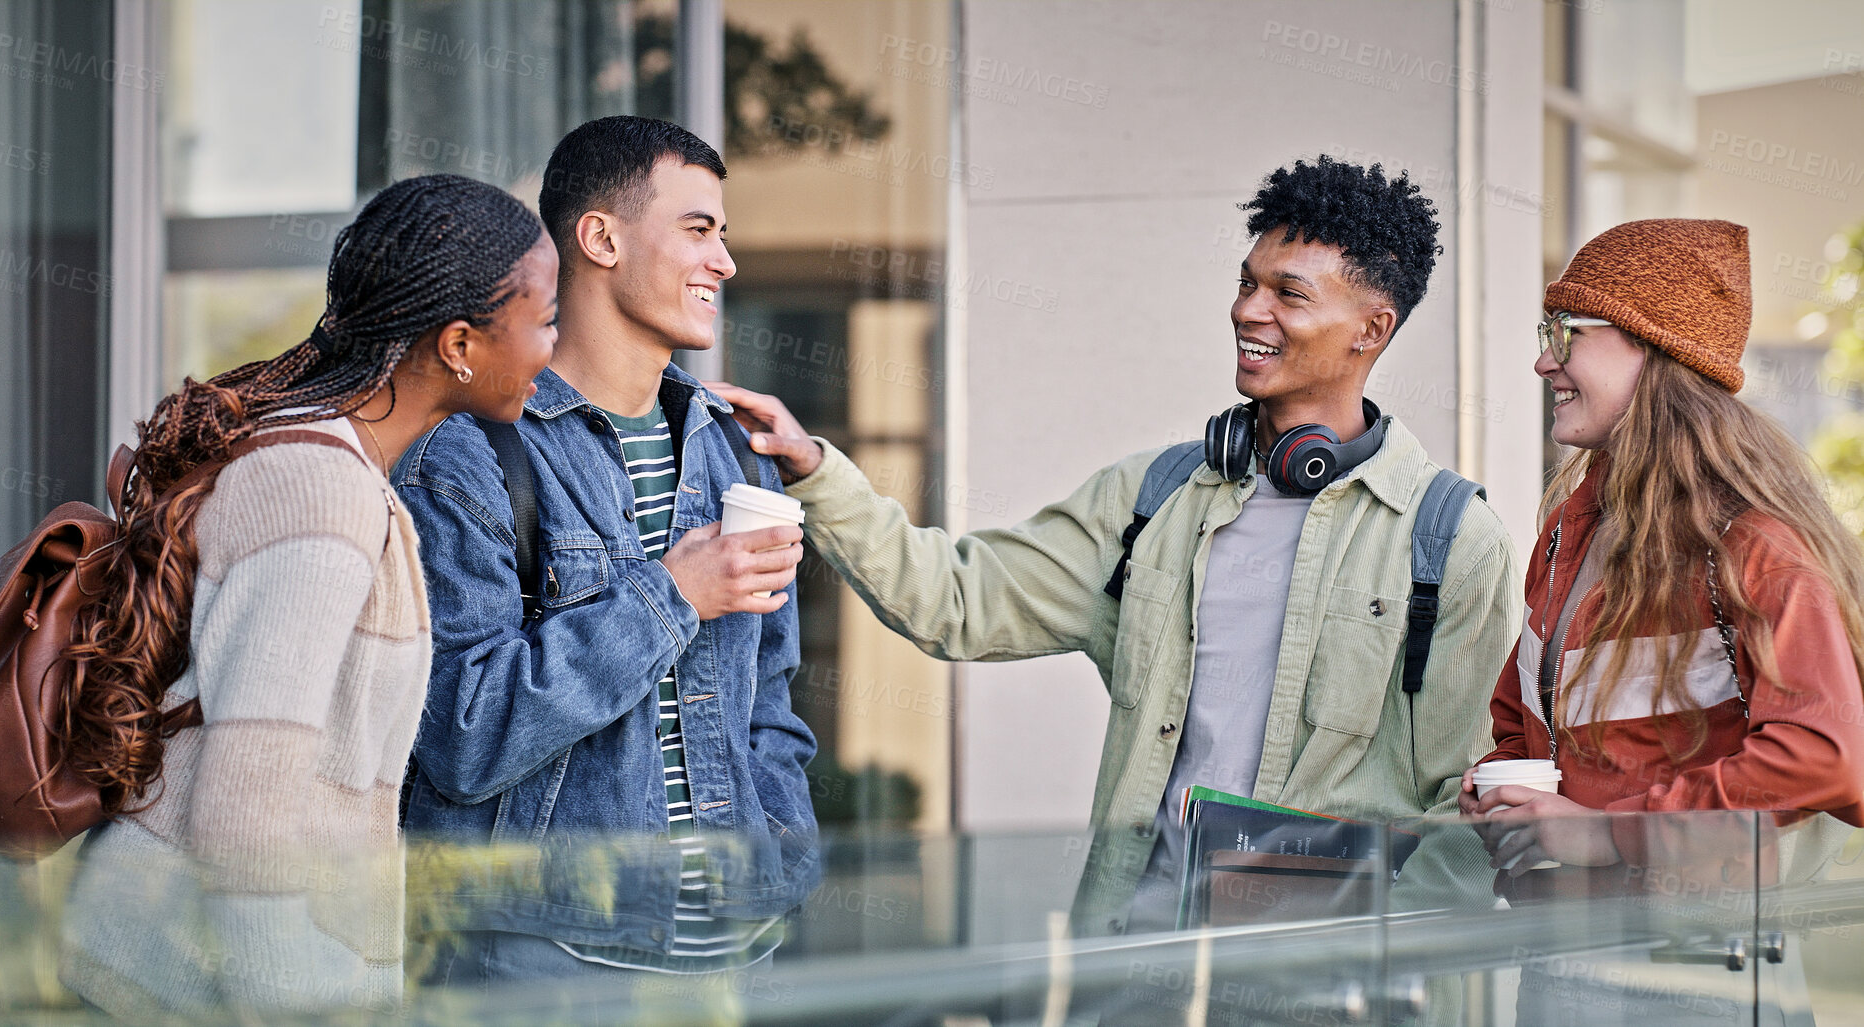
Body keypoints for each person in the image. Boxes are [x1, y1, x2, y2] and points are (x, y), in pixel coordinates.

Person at [715, 154, 1522, 946]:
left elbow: (1468, 809)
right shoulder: (1152, 500)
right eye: (1246, 282)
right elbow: (956, 601)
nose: (1248, 310)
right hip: (1137, 962)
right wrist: (817, 473)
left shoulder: (1449, 541)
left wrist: (1375, 962)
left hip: (1329, 985)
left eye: (1288, 293)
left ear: (1370, 329)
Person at [57, 175, 555, 1019]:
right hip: (186, 986)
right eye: (545, 318)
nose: (555, 345)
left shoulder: (338, 465)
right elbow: (245, 810)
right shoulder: (321, 491)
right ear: (461, 342)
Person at [394, 116, 817, 992]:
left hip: (739, 962)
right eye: (698, 230)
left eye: (722, 235)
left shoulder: (731, 449)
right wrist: (671, 595)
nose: (725, 262)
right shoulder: (472, 457)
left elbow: (768, 696)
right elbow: (462, 737)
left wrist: (781, 847)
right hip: (550, 965)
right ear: (600, 238)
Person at [1459, 219, 1864, 1021]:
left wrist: (1605, 833)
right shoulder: (1569, 529)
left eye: (1565, 333)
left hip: (1697, 977)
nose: (1544, 359)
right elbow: (1523, 720)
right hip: (1562, 961)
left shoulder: (1751, 546)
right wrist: (1505, 793)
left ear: (1651, 348)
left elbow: (1826, 757)